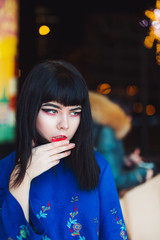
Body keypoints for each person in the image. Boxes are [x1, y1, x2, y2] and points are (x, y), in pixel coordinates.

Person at [0, 60, 128, 239]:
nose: (65, 125)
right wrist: (22, 179)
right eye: (52, 111)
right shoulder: (4, 170)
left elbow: (115, 235)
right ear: (30, 109)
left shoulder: (98, 165)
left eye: (74, 112)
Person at [89, 90, 157, 194]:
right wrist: (143, 173)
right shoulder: (107, 130)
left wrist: (125, 160)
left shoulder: (100, 125)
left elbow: (103, 157)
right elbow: (114, 180)